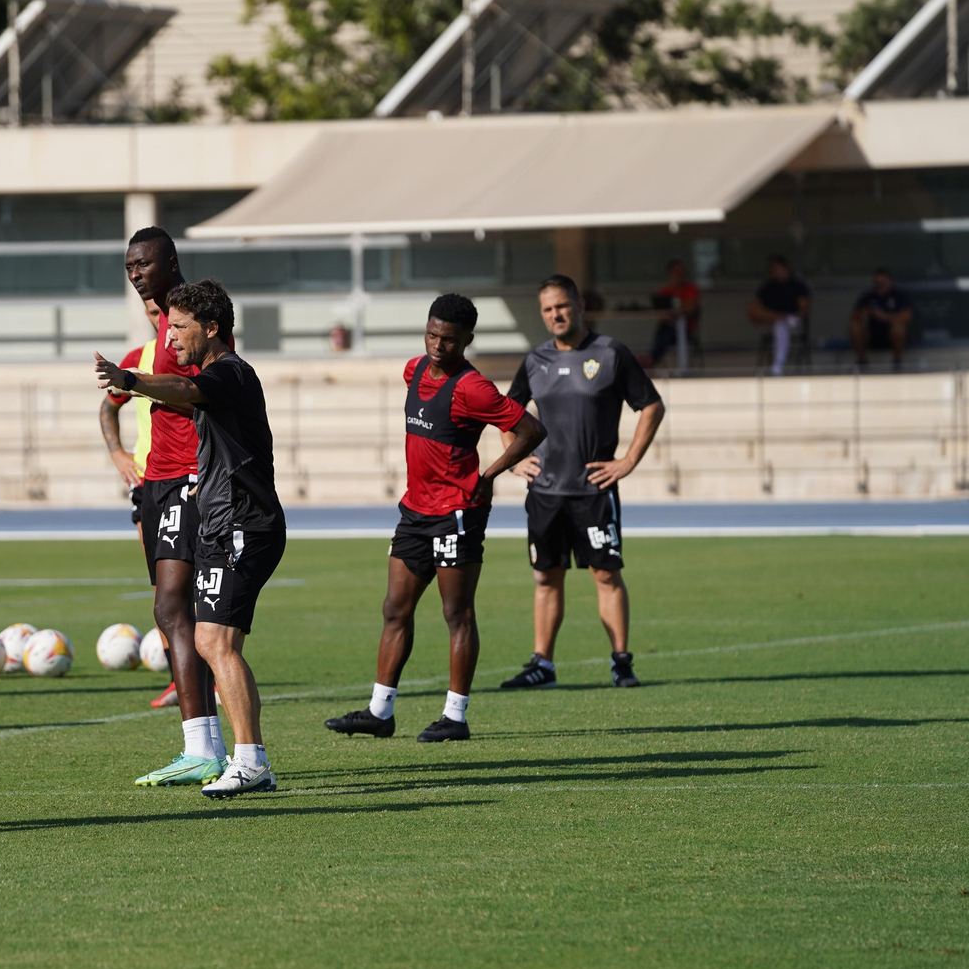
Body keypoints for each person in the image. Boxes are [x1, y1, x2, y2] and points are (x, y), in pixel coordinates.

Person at [323, 295, 545, 743]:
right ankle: (379, 712)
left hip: (457, 514)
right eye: (432, 335)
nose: (438, 346)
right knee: (394, 610)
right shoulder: (414, 370)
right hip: (414, 512)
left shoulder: (473, 388)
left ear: (467, 340)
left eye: (448, 339)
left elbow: (531, 430)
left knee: (456, 613)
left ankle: (455, 716)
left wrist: (491, 473)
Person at [96, 279, 284, 798]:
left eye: (179, 326)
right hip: (225, 523)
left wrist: (131, 378)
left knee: (212, 641)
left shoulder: (228, 373)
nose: (171, 336)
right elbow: (185, 402)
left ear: (212, 327)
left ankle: (251, 761)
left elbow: (186, 392)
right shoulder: (215, 379)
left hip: (245, 524)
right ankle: (243, 758)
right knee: (219, 642)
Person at [500, 274, 665, 691]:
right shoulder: (535, 360)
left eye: (562, 305)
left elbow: (651, 406)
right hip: (546, 492)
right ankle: (543, 665)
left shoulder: (610, 353)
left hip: (593, 490)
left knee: (606, 575)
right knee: (546, 577)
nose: (556, 314)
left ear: (579, 304)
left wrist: (627, 461)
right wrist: (514, 460)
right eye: (548, 309)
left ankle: (621, 662)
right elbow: (506, 412)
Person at [114, 228, 230, 788]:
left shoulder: (185, 321)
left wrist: (135, 380)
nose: (136, 273)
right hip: (158, 478)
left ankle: (205, 748)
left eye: (144, 264)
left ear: (171, 263)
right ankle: (204, 746)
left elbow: (194, 389)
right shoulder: (162, 319)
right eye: (130, 265)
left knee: (172, 607)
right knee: (172, 612)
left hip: (186, 475)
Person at [99, 297, 181, 709]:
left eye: (162, 312)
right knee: (162, 587)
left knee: (202, 583)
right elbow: (108, 408)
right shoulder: (139, 357)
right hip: (149, 484)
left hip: (192, 480)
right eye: (152, 313)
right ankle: (177, 680)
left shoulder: (192, 355)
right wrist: (117, 453)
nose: (158, 320)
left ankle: (212, 676)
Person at [746, 255, 811, 376]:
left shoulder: (797, 285)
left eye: (775, 267)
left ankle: (778, 364)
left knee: (780, 325)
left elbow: (804, 310)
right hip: (771, 321)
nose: (772, 271)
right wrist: (777, 317)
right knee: (776, 322)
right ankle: (781, 319)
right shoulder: (767, 287)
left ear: (785, 267)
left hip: (793, 323)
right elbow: (754, 308)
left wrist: (790, 317)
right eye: (770, 268)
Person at [850, 268, 913, 370]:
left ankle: (897, 360)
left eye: (882, 282)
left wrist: (884, 316)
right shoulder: (867, 296)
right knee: (855, 326)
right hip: (871, 336)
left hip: (892, 337)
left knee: (899, 326)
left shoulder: (899, 295)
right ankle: (862, 360)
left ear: (889, 280)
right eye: (877, 282)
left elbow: (907, 316)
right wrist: (865, 313)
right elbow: (854, 316)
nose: (880, 285)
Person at [649, 259, 699, 370]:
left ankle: (652, 359)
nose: (680, 274)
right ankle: (652, 359)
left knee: (668, 332)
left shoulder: (691, 289)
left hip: (686, 329)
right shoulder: (664, 291)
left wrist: (679, 309)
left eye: (682, 271)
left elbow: (691, 307)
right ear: (669, 274)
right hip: (668, 326)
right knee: (663, 330)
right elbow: (659, 312)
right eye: (676, 272)